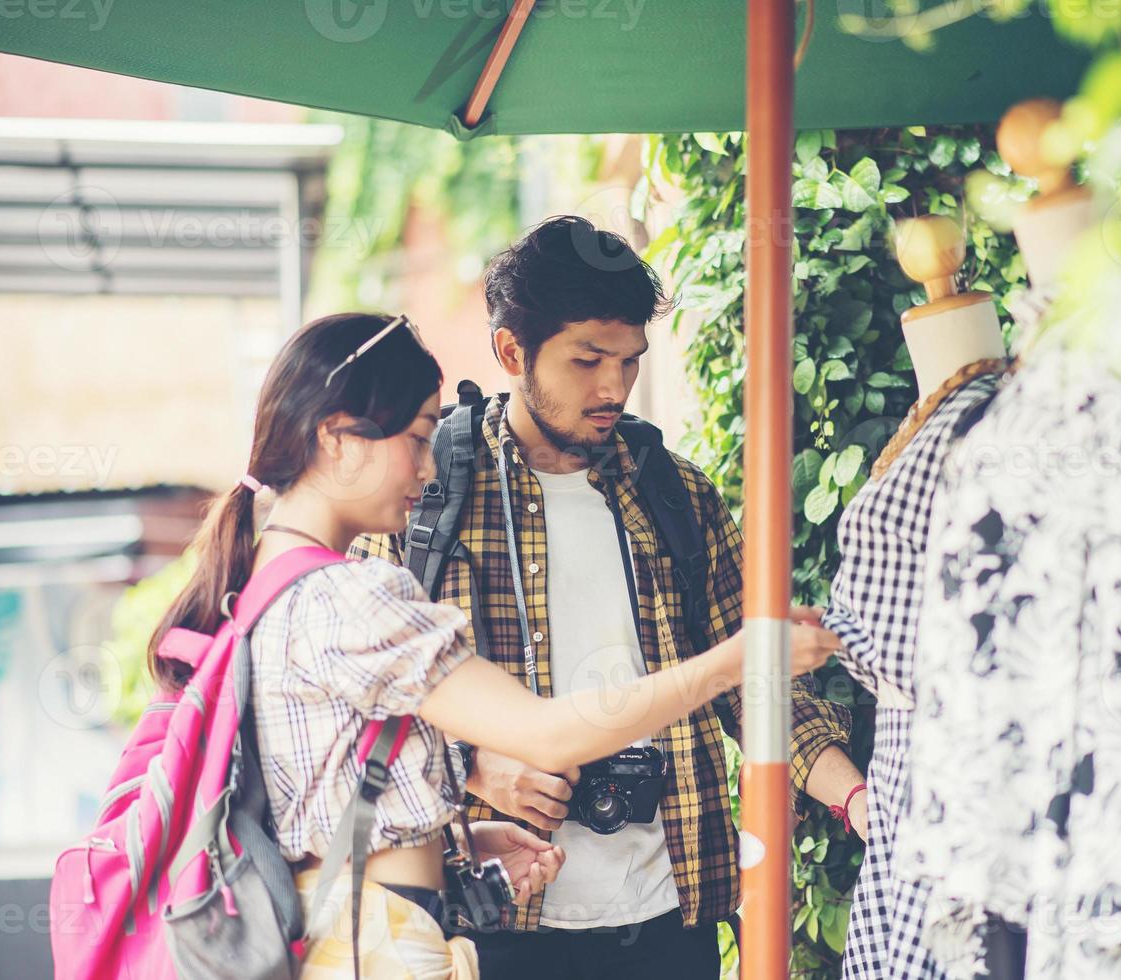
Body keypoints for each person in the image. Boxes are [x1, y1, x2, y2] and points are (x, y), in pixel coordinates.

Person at [147, 311, 842, 977]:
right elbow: (545, 734)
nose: (426, 469)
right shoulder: (349, 598)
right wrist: (738, 659)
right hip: (383, 944)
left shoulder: (264, 582)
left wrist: (450, 844)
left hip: (350, 928)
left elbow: (321, 801)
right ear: (337, 437)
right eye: (418, 438)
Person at [350, 216, 868, 980]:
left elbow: (755, 686)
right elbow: (359, 711)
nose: (612, 388)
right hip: (494, 915)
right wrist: (474, 767)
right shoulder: (423, 500)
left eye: (629, 362)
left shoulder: (677, 494)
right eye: (586, 360)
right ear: (510, 352)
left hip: (667, 914)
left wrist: (857, 800)